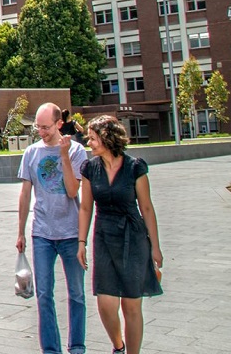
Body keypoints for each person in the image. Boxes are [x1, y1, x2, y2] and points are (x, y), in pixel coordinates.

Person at [77, 116, 162, 354]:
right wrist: (81, 242)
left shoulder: (135, 167)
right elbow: (85, 207)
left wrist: (155, 247)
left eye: (93, 138)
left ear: (108, 138)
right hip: (104, 236)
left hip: (133, 238)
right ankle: (118, 345)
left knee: (132, 306)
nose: (89, 143)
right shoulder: (89, 168)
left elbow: (146, 208)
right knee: (106, 304)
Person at [16, 103, 88, 354]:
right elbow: (25, 194)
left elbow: (72, 190)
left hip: (70, 232)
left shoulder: (77, 151)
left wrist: (64, 156)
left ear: (59, 124)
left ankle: (77, 346)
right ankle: (51, 349)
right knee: (44, 294)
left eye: (46, 127)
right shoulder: (31, 153)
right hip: (42, 233)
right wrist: (21, 231)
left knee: (76, 293)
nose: (41, 132)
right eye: (38, 127)